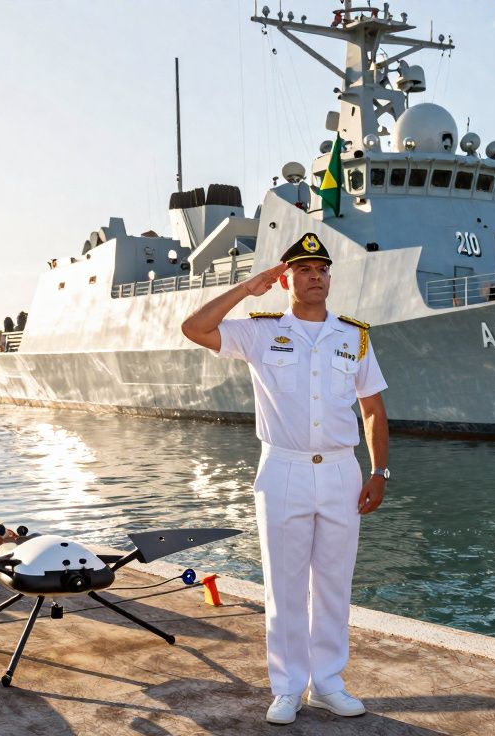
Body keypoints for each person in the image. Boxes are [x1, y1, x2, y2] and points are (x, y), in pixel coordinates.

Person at [181, 232, 390, 725]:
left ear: (329, 278)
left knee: (335, 584)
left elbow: (374, 409)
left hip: (342, 470)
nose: (315, 277)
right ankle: (288, 687)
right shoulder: (260, 331)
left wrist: (380, 470)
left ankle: (328, 683)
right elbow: (194, 327)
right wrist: (245, 289)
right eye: (304, 270)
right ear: (286, 279)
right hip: (283, 469)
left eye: (321, 270)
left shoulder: (353, 336)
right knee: (285, 585)